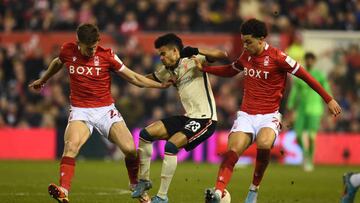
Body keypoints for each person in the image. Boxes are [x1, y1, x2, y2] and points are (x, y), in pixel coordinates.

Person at [198, 19, 342, 203]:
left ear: (261, 39)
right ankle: (218, 193)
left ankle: (253, 190)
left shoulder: (278, 57)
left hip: (269, 116)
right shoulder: (246, 56)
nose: (245, 45)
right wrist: (206, 69)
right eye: (243, 41)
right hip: (246, 115)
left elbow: (306, 76)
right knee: (233, 149)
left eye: (248, 41)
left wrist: (328, 99)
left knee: (264, 144)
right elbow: (230, 70)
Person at [28, 23, 172, 203]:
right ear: (78, 43)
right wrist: (43, 80)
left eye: (95, 46)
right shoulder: (68, 50)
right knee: (71, 147)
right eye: (89, 48)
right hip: (80, 110)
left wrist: (160, 85)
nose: (92, 51)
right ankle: (64, 190)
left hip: (105, 110)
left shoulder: (108, 55)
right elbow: (58, 62)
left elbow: (134, 77)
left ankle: (136, 185)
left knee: (129, 149)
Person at [130, 33, 228, 203]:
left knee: (171, 146)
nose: (160, 58)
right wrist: (123, 73)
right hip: (189, 118)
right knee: (145, 134)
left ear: (175, 51)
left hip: (206, 119)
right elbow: (141, 81)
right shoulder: (165, 71)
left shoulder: (193, 58)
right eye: (159, 54)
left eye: (163, 53)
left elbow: (222, 55)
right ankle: (144, 181)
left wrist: (197, 49)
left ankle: (162, 196)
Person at [287, 52, 331, 172]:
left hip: (315, 109)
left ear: (314, 61)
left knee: (312, 136)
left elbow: (326, 89)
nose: (309, 62)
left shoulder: (319, 75)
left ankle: (309, 160)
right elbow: (295, 92)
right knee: (298, 134)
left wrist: (329, 102)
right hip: (301, 109)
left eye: (312, 60)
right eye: (308, 59)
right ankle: (306, 154)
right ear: (305, 61)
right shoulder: (301, 75)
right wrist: (290, 105)